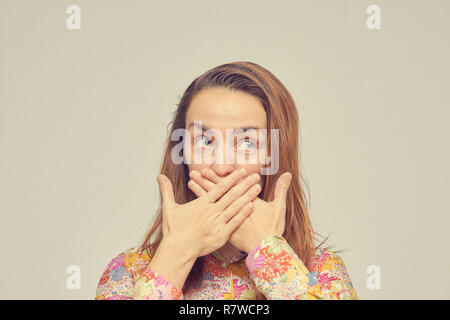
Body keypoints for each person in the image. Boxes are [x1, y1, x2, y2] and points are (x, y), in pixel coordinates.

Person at [95, 61, 358, 300]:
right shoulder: (128, 272)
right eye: (204, 141)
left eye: (247, 142)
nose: (222, 166)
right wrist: (176, 252)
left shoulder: (321, 272)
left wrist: (267, 251)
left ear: (273, 155)